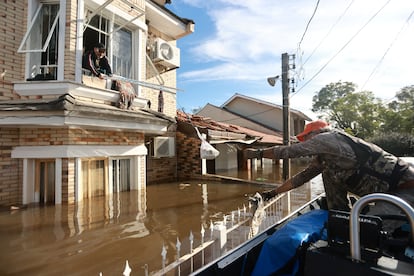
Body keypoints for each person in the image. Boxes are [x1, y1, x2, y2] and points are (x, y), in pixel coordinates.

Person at [245, 120, 414, 214]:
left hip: (402, 192)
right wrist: (271, 194)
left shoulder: (327, 138)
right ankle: (340, 215)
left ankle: (342, 217)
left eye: (307, 138)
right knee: (328, 174)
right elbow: (301, 178)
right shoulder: (328, 157)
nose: (308, 143)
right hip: (385, 194)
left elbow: (290, 151)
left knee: (370, 233)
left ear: (316, 134)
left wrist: (258, 153)